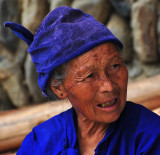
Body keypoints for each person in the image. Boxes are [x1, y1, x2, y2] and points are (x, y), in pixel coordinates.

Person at [5, 6, 160, 155]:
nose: (108, 86)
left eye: (114, 66)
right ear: (59, 88)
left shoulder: (149, 135)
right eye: (89, 76)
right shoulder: (39, 144)